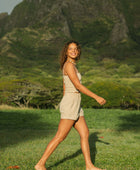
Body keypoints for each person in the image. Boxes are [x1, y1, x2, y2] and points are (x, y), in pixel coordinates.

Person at [35, 40, 106, 170]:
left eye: (75, 49)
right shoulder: (68, 65)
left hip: (75, 102)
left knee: (85, 133)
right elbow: (77, 85)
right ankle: (40, 164)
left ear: (78, 51)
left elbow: (64, 85)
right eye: (70, 49)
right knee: (60, 136)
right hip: (71, 102)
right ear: (66, 51)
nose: (73, 51)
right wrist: (96, 97)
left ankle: (89, 166)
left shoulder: (72, 65)